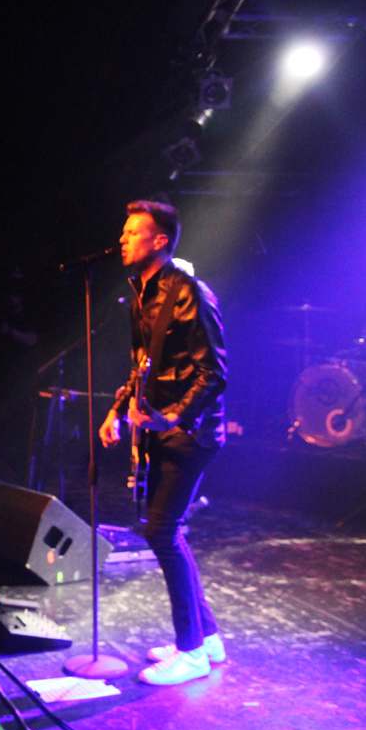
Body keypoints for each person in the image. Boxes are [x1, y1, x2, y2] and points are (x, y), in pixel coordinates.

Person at [99, 200, 227, 686]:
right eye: (123, 231)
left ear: (160, 240)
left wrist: (173, 418)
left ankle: (191, 653)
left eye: (133, 232)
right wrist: (117, 410)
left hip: (190, 433)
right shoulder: (142, 293)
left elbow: (214, 372)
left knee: (161, 531)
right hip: (161, 428)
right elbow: (143, 366)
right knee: (165, 531)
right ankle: (207, 638)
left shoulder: (190, 292)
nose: (122, 239)